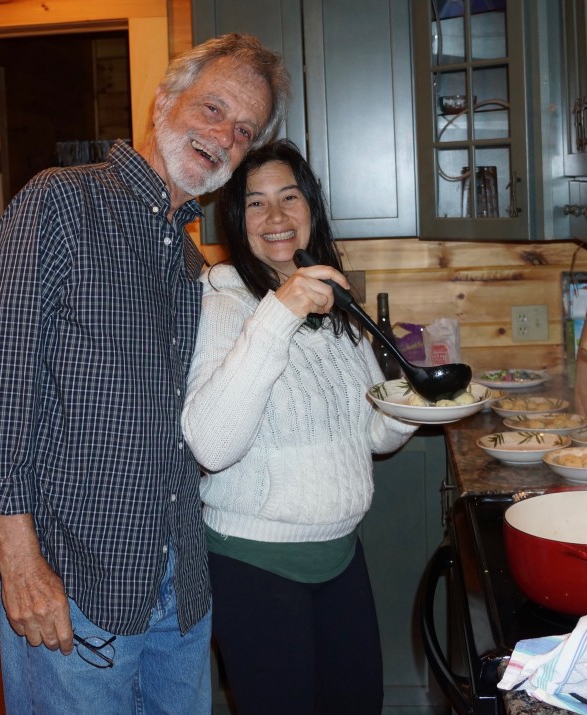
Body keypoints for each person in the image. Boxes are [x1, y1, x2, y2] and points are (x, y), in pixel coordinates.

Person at [0, 33, 290, 714]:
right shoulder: (59, 205)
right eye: (213, 108)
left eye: (243, 129)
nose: (224, 135)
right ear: (164, 99)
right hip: (75, 584)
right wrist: (18, 562)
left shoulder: (192, 263)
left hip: (181, 591)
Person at [180, 139, 419, 713]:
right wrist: (279, 312)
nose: (278, 217)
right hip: (255, 564)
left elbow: (369, 433)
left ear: (311, 206)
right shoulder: (224, 302)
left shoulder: (330, 300)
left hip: (339, 553)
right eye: (256, 203)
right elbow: (211, 445)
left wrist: (414, 404)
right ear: (237, 219)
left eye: (289, 196)